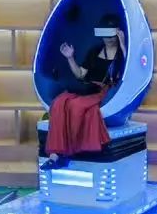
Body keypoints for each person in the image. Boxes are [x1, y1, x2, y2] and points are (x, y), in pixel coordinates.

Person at [41, 14, 126, 171]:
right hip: (85, 87)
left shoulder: (122, 54)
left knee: (76, 106)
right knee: (59, 102)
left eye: (111, 33)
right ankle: (54, 155)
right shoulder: (94, 51)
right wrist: (70, 58)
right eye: (105, 34)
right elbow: (80, 74)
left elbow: (127, 71)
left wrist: (123, 46)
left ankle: (66, 152)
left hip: (103, 90)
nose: (108, 38)